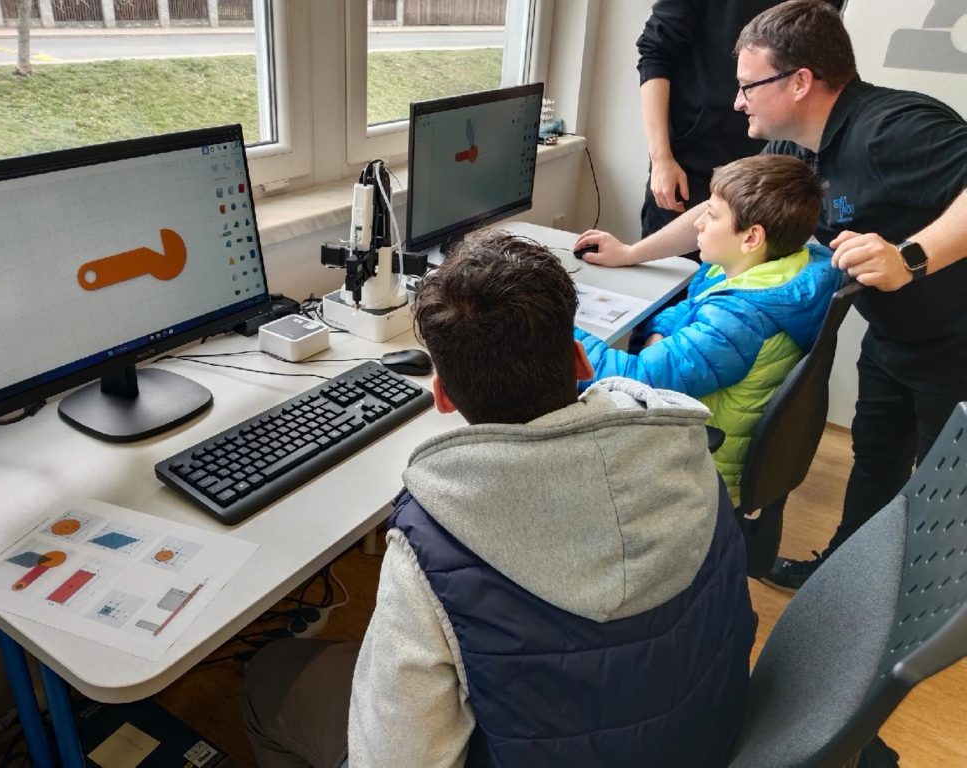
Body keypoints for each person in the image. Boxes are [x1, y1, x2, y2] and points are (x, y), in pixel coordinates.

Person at [242, 231, 755, 767]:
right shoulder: (683, 443)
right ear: (581, 361)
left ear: (442, 397)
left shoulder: (432, 542)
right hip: (706, 741)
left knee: (269, 675)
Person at [574, 0, 967, 591]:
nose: (738, 102)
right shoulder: (795, 146)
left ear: (800, 81)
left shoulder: (892, 128)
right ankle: (842, 583)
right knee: (876, 457)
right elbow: (720, 211)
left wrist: (911, 257)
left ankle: (917, 612)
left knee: (945, 484)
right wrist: (632, 253)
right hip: (894, 327)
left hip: (955, 334)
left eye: (748, 86)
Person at [576, 154, 840, 506]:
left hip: (701, 471)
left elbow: (634, 380)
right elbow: (691, 306)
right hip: (700, 428)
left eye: (712, 215)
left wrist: (552, 325)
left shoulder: (739, 319)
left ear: (751, 238)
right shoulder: (767, 271)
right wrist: (661, 335)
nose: (698, 223)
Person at [636, 0, 774, 247]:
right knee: (670, 268)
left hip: (767, 172)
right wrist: (661, 158)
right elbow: (654, 53)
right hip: (689, 167)